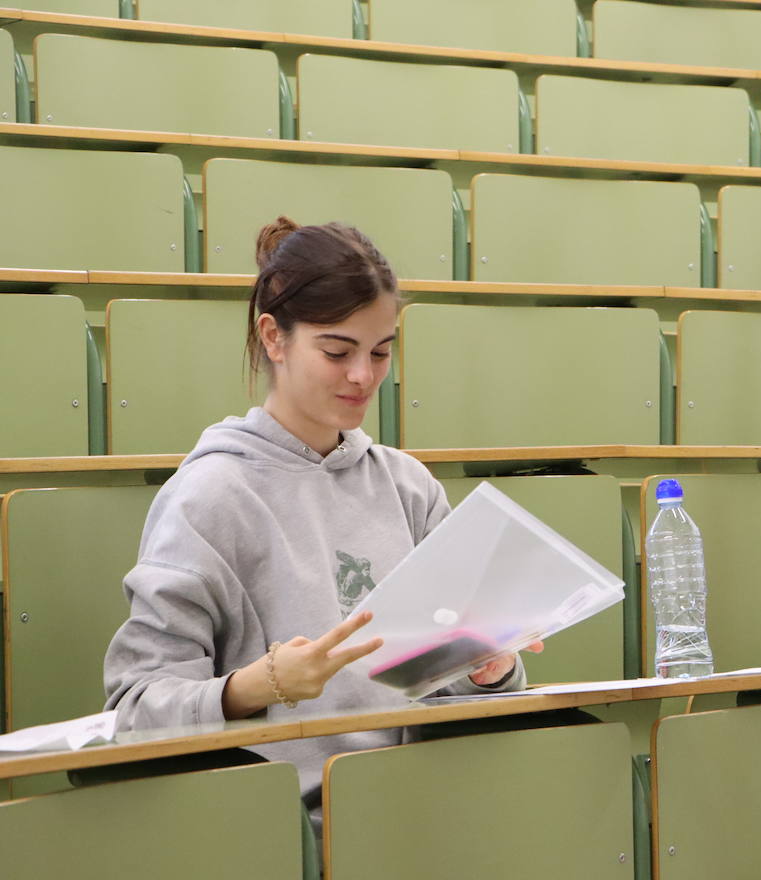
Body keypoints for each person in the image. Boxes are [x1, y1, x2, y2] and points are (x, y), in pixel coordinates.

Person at [105, 217, 541, 817]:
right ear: (273, 337)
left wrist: (489, 670)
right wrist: (257, 686)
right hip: (289, 829)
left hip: (422, 809)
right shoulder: (210, 496)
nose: (363, 376)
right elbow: (134, 708)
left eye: (381, 352)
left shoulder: (408, 486)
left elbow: (445, 695)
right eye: (338, 351)